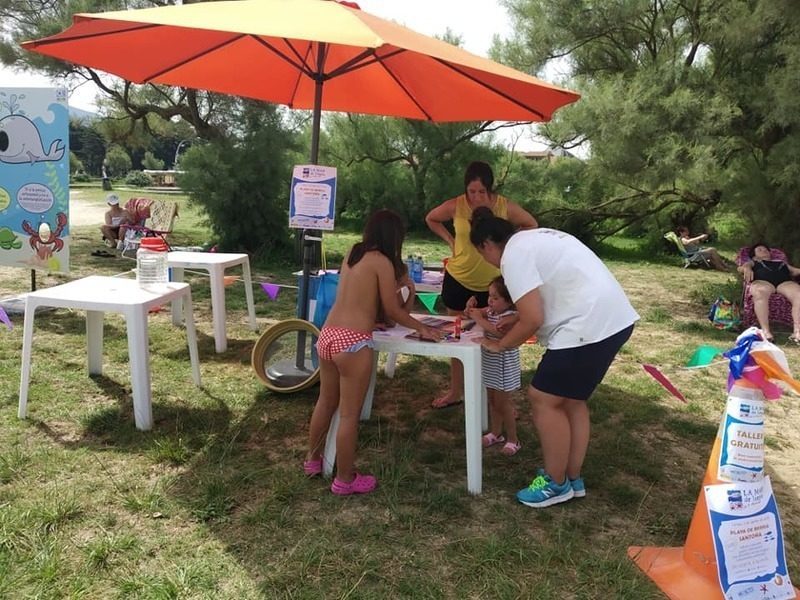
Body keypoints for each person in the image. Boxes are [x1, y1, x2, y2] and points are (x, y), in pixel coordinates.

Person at [469, 207, 639, 508]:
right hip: (613, 318)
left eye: (483, 255)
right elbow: (542, 298)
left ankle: (555, 482)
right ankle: (571, 478)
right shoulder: (533, 239)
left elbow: (533, 319)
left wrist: (501, 344)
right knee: (572, 401)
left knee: (543, 397)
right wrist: (516, 319)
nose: (489, 262)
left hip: (586, 324)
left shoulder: (513, 255)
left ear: (486, 245)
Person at [304, 209, 443, 496]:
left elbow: (363, 301)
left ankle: (312, 461)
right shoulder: (383, 262)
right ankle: (344, 478)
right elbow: (392, 310)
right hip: (353, 342)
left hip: (328, 334)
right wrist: (422, 327)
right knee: (348, 416)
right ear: (395, 237)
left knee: (325, 403)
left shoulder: (353, 253)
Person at [425, 161, 537, 409]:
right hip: (458, 279)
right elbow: (431, 218)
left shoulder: (503, 206)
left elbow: (531, 223)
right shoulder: (457, 205)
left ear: (491, 190)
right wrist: (451, 241)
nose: (476, 197)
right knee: (456, 338)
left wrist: (512, 246)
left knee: (493, 338)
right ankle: (456, 391)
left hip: (493, 286)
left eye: (481, 192)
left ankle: (497, 401)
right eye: (471, 192)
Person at [465, 276, 522, 456]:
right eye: (490, 296)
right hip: (490, 363)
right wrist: (470, 308)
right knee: (491, 400)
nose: (490, 300)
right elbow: (476, 313)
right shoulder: (492, 310)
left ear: (509, 300)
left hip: (504, 365)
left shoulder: (510, 317)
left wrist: (479, 319)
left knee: (503, 404)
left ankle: (513, 439)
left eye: (496, 298)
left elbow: (496, 330)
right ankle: (495, 433)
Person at [737, 242, 800, 343]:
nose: (764, 250)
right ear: (754, 256)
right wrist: (747, 268)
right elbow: (741, 268)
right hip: (763, 282)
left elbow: (795, 271)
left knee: (799, 294)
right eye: (760, 250)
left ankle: (797, 332)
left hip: (785, 283)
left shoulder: (781, 262)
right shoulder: (753, 262)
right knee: (760, 292)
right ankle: (766, 331)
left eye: (765, 249)